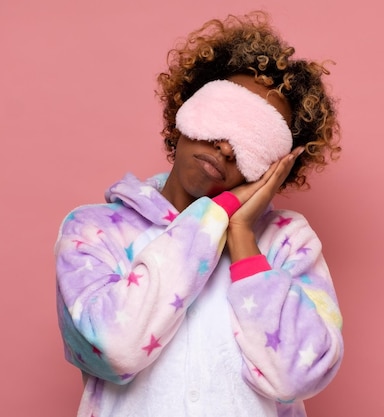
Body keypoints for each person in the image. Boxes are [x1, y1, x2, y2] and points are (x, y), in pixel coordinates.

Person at [55, 11, 343, 417]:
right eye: (223, 117)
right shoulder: (93, 230)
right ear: (185, 111)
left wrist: (242, 237)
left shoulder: (287, 241)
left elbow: (298, 376)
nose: (227, 147)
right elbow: (112, 349)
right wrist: (219, 213)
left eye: (254, 140)